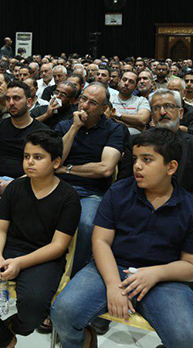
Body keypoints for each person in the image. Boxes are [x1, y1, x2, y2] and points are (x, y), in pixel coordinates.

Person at [51, 128, 193, 348]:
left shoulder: (192, 209)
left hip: (164, 280)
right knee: (63, 312)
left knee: (191, 342)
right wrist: (112, 285)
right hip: (112, 267)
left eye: (147, 160)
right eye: (135, 159)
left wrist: (156, 273)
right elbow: (101, 241)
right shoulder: (118, 192)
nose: (137, 166)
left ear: (171, 167)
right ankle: (83, 341)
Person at [0, 130, 80, 348]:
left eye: (38, 157)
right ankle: (3, 339)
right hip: (10, 248)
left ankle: (13, 327)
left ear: (56, 162)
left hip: (44, 257)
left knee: (34, 304)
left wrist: (20, 263)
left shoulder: (69, 197)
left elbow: (58, 246)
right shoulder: (15, 188)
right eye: (26, 156)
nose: (30, 162)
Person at [54, 83, 125, 276]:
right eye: (83, 99)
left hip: (91, 193)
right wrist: (74, 128)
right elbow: (55, 160)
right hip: (58, 187)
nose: (84, 106)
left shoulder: (114, 130)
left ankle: (74, 274)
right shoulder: (64, 125)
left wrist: (67, 169)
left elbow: (105, 168)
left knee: (86, 225)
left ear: (104, 109)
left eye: (92, 103)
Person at [149, 89, 193, 206]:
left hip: (185, 209)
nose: (162, 112)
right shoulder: (137, 144)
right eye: (156, 108)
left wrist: (177, 206)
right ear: (151, 115)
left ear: (181, 113)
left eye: (168, 106)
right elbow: (125, 183)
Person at [0, 81, 50, 200]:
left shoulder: (42, 132)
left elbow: (41, 169)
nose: (11, 103)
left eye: (16, 98)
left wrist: (11, 185)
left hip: (27, 183)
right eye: (8, 99)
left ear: (29, 102)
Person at [110, 71, 151, 136]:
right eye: (124, 80)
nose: (126, 83)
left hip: (133, 138)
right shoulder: (109, 98)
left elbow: (142, 120)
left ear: (136, 87)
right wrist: (136, 125)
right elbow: (105, 119)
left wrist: (117, 115)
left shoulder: (142, 101)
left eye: (131, 82)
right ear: (119, 81)